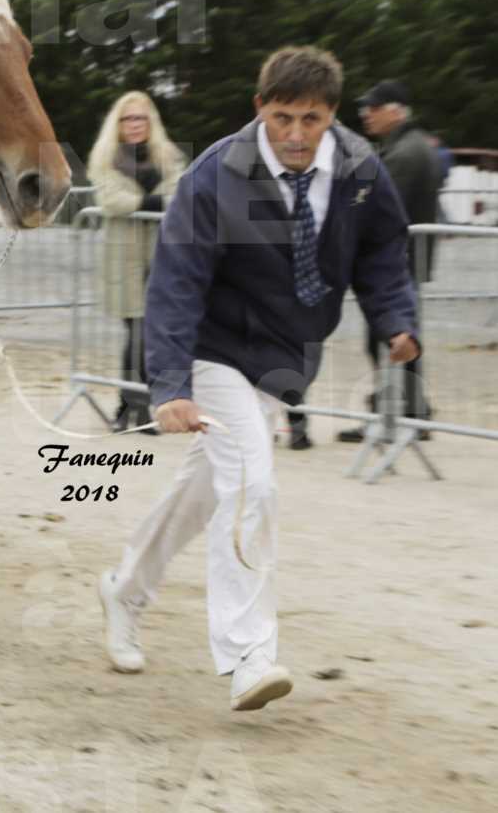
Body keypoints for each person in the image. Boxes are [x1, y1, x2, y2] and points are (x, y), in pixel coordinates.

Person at [97, 46, 420, 712]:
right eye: (282, 118)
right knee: (254, 483)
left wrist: (395, 318)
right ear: (258, 108)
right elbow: (176, 282)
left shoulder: (360, 166)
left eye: (312, 119)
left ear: (332, 114)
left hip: (285, 354)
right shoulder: (218, 174)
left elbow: (384, 246)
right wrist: (170, 386)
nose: (297, 135)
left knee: (210, 487)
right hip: (216, 348)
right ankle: (249, 654)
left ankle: (125, 589)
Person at [337, 81, 440, 442]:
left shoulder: (404, 154)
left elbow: (378, 209)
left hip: (394, 261)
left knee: (388, 338)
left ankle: (398, 416)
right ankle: (411, 412)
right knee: (401, 335)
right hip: (407, 257)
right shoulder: (415, 146)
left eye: (374, 107)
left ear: (396, 110)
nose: (367, 114)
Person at [87, 91, 186, 433]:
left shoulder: (168, 156)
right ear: (118, 124)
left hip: (161, 252)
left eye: (140, 118)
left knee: (152, 334)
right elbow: (111, 199)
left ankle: (135, 408)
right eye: (127, 119)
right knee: (137, 332)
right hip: (124, 254)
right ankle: (132, 405)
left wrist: (145, 202)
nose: (134, 125)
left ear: (150, 121)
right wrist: (150, 201)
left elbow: (178, 196)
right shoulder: (105, 158)